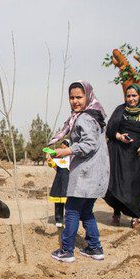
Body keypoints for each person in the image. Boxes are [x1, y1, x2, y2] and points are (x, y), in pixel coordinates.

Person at [50, 81, 109, 263]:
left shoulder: (84, 118)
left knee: (73, 210)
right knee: (86, 211)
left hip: (86, 172)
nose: (75, 101)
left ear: (88, 96)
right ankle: (94, 248)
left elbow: (88, 144)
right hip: (96, 172)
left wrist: (65, 151)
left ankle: (67, 250)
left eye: (79, 97)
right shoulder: (94, 115)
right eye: (72, 97)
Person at [104, 84, 140, 229]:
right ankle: (116, 214)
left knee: (137, 184)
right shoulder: (120, 110)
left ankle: (135, 217)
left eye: (134, 95)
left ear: (139, 95)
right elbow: (110, 129)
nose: (131, 99)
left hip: (139, 154)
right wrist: (119, 136)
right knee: (118, 184)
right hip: (119, 153)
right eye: (128, 96)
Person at [46, 141, 70, 228]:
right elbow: (53, 165)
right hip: (58, 181)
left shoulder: (71, 158)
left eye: (64, 145)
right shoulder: (59, 157)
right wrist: (49, 159)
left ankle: (69, 220)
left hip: (68, 181)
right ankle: (59, 219)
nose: (62, 146)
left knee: (68, 202)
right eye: (62, 145)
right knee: (58, 201)